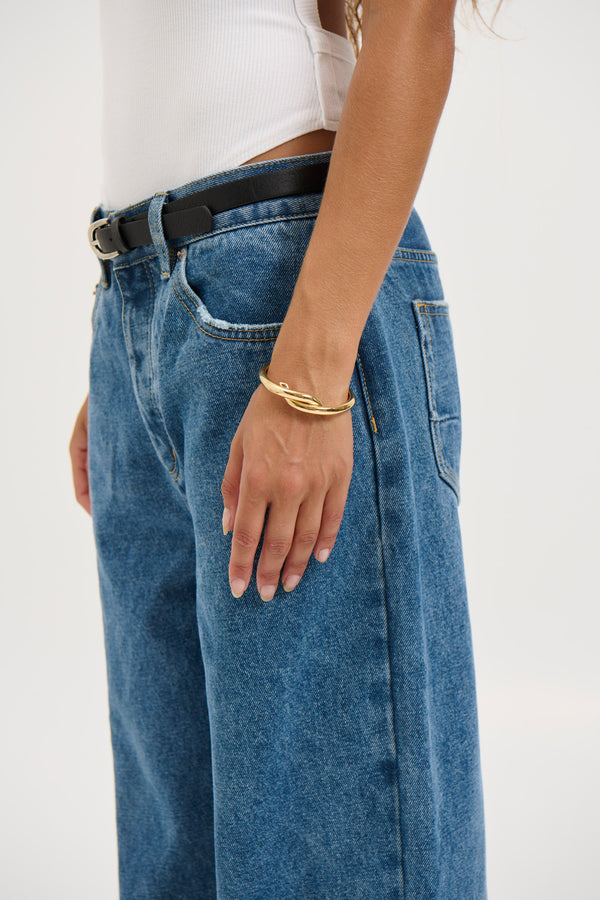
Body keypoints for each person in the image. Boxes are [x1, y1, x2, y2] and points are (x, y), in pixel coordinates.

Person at [69, 1, 500, 897]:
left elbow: (415, 27)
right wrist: (135, 360)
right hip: (145, 297)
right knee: (173, 858)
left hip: (279, 296)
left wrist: (311, 373)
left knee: (335, 854)